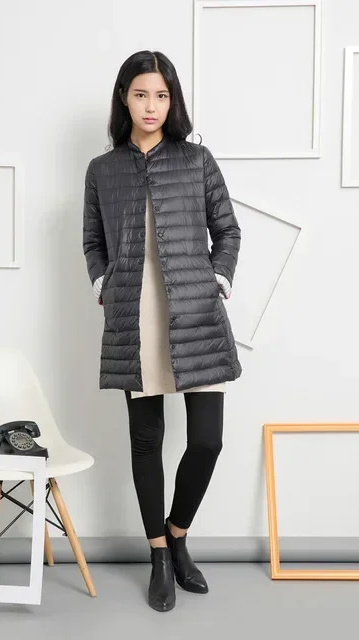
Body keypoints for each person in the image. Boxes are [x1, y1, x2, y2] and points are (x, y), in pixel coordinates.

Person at [83, 50, 242, 612]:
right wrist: (102, 283)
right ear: (123, 98)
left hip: (195, 314)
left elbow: (227, 229)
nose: (151, 106)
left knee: (207, 440)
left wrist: (217, 277)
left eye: (161, 95)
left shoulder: (197, 160)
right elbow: (92, 241)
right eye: (140, 94)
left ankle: (177, 536)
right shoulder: (102, 170)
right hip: (135, 315)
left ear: (172, 101)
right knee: (146, 440)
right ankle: (157, 555)